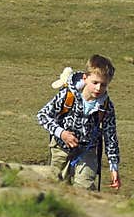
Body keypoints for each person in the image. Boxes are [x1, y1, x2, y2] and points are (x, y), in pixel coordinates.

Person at [37, 54, 121, 191]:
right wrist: (62, 133)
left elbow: (110, 137)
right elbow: (42, 115)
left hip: (87, 152)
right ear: (85, 78)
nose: (99, 88)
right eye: (95, 83)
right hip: (60, 148)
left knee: (84, 188)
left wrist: (114, 167)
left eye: (103, 85)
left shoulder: (106, 106)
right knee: (55, 187)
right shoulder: (67, 95)